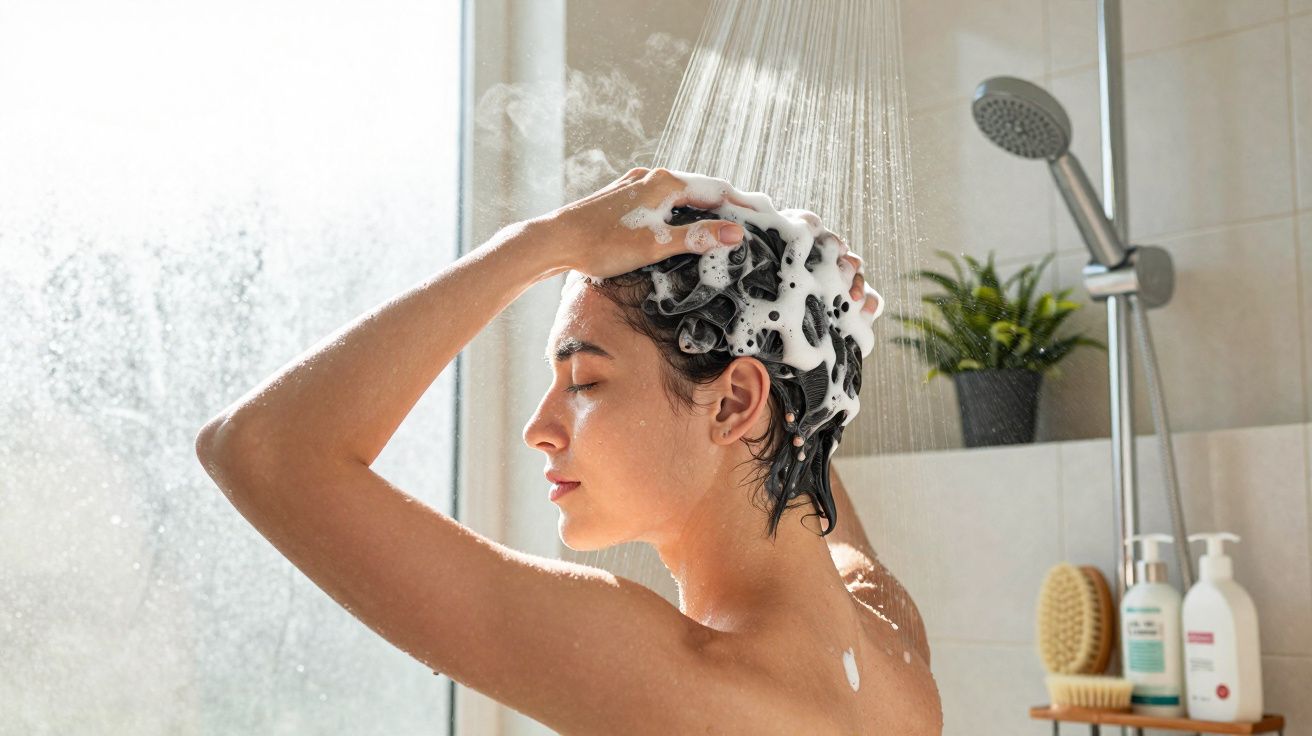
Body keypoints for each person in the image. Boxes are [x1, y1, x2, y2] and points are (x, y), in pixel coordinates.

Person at [195, 167, 942, 734]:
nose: (538, 426)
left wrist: (539, 244)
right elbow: (790, 441)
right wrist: (814, 326)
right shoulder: (892, 642)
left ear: (737, 402)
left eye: (583, 380)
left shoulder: (679, 685)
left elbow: (262, 449)